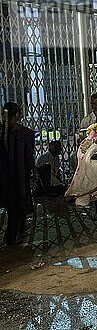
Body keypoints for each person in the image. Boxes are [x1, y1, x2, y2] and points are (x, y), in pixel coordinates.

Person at [0, 102, 35, 246]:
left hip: (5, 180)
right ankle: (12, 238)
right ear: (18, 115)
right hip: (19, 179)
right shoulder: (25, 134)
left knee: (12, 209)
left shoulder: (4, 133)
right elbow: (28, 159)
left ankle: (15, 234)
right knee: (17, 209)